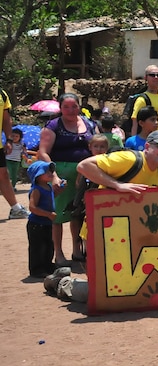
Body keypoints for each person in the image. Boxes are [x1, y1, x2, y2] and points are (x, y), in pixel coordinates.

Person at [37, 93, 96, 265]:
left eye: (74, 106)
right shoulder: (53, 125)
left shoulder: (89, 123)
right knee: (59, 216)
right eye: (66, 107)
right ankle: (59, 253)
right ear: (60, 108)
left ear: (79, 106)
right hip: (60, 176)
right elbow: (43, 152)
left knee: (78, 214)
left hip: (85, 175)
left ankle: (77, 251)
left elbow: (98, 144)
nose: (71, 110)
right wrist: (54, 176)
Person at [76, 130, 158, 193]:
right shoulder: (129, 159)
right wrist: (117, 185)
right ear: (147, 147)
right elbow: (84, 166)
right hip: (102, 223)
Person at [1, 91, 32, 219]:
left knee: (3, 175)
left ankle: (16, 209)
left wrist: (9, 140)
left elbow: (6, 119)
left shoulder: (2, 94)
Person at [26, 160, 58, 278]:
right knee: (38, 247)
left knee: (49, 245)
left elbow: (49, 200)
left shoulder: (48, 187)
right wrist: (48, 214)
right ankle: (37, 269)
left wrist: (59, 191)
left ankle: (47, 266)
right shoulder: (37, 189)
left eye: (51, 171)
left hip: (46, 223)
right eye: (46, 171)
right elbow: (32, 207)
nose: (50, 173)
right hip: (36, 224)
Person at [6, 127, 26, 191]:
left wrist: (24, 149)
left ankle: (13, 186)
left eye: (16, 136)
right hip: (8, 160)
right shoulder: (9, 143)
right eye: (13, 136)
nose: (14, 137)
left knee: (14, 174)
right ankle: (6, 186)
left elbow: (24, 152)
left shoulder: (21, 144)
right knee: (8, 173)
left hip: (17, 161)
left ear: (20, 137)